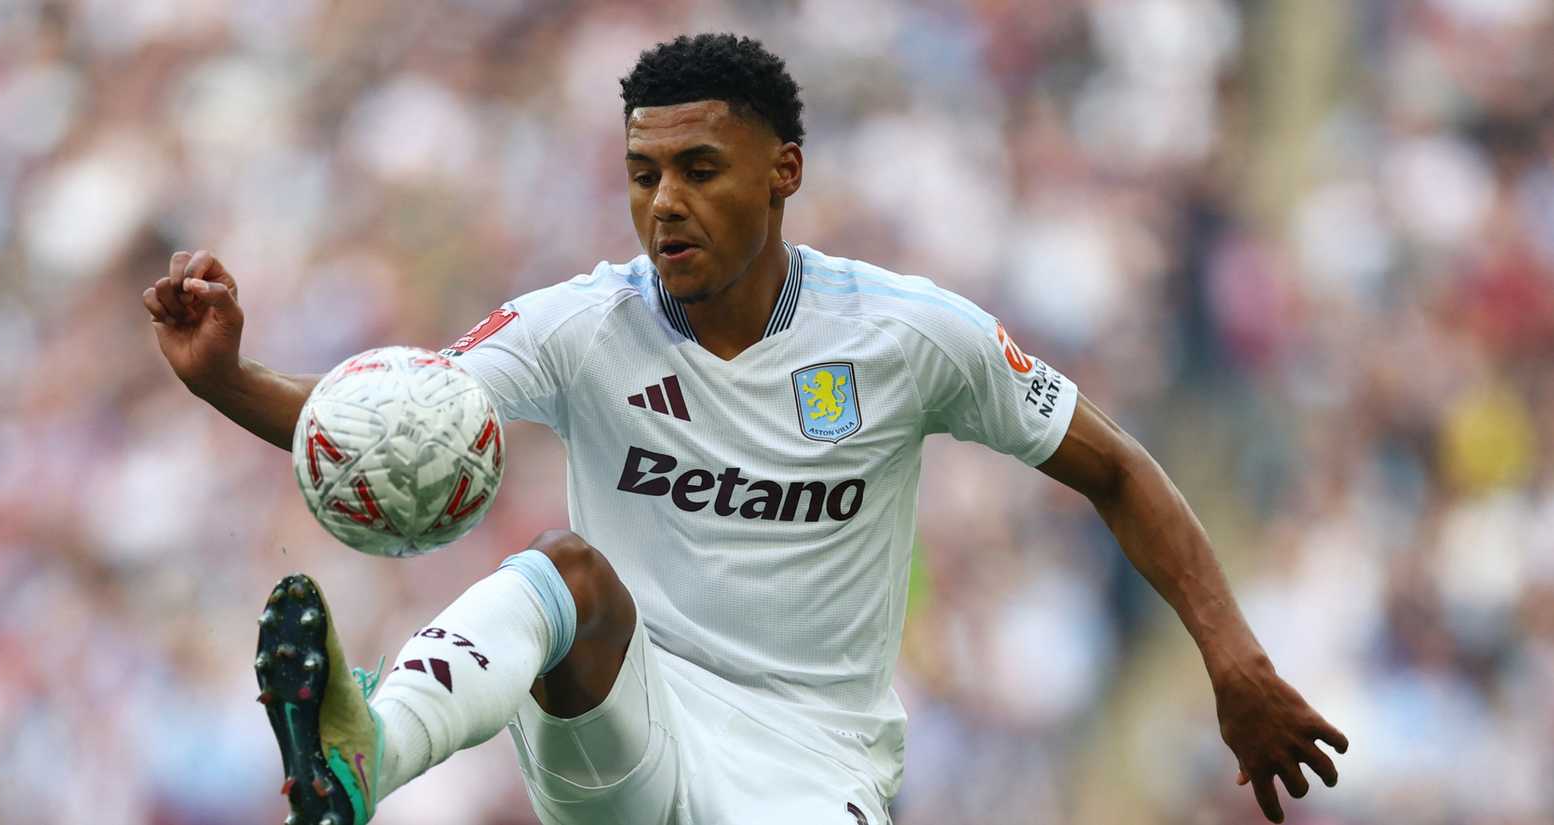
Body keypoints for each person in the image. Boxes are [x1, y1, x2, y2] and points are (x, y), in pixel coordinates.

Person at [142, 33, 1347, 825]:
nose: (664, 203)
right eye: (642, 172)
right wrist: (227, 381)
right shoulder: (578, 326)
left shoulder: (907, 334)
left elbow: (1120, 470)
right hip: (632, 723)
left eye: (701, 168)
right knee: (563, 577)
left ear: (784, 171)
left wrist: (1233, 660)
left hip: (816, 769)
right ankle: (362, 757)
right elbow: (396, 434)